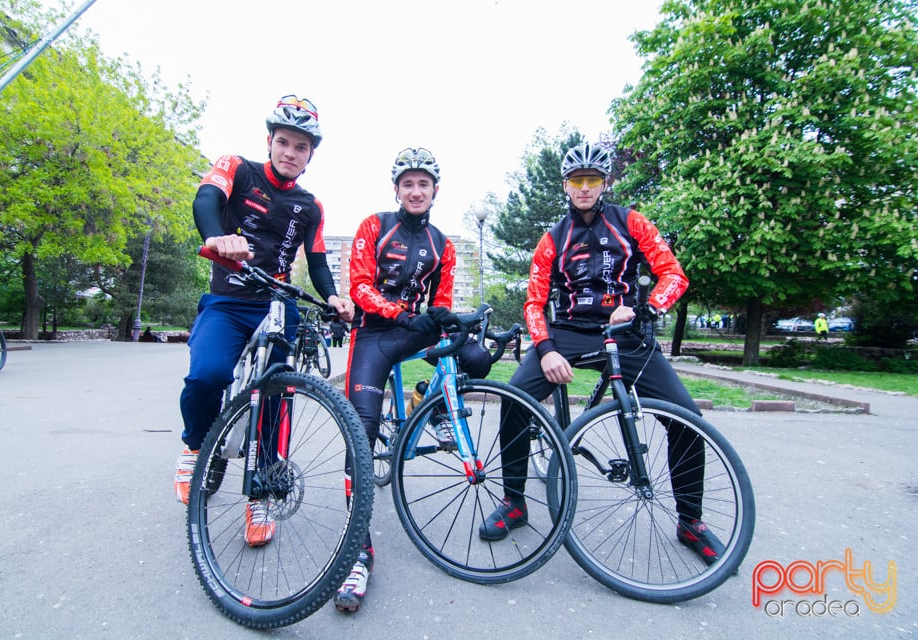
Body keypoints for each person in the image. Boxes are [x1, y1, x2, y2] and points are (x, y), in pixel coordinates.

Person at [482, 141, 724, 565]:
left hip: (626, 329)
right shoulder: (552, 238)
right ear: (566, 186)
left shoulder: (632, 222)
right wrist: (545, 348)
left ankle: (691, 521)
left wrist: (648, 308)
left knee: (688, 419)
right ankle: (514, 502)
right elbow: (534, 303)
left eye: (592, 180)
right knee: (515, 398)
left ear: (604, 183)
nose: (584, 188)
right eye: (577, 181)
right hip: (571, 330)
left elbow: (673, 275)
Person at [174, 95, 354, 549]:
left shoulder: (311, 206)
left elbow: (316, 261)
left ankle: (263, 496)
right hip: (229, 299)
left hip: (277, 304)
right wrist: (217, 237)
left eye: (301, 147)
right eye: (284, 142)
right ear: (269, 141)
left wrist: (334, 296)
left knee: (277, 399)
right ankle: (194, 446)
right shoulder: (237, 167)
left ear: (310, 155)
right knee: (207, 375)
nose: (290, 153)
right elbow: (206, 199)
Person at [333, 148, 491, 613]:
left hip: (412, 329)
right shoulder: (374, 226)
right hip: (375, 334)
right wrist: (400, 314)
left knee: (477, 358)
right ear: (397, 190)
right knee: (358, 436)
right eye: (408, 184)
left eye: (424, 184)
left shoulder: (443, 242)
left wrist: (443, 317)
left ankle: (433, 402)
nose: (416, 191)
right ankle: (357, 554)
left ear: (435, 191)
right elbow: (359, 286)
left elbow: (440, 301)